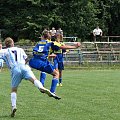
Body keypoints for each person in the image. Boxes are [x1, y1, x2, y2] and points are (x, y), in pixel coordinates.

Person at [0, 37, 60, 117]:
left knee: (14, 90)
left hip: (15, 69)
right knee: (34, 79)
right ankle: (41, 87)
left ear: (6, 45)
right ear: (13, 43)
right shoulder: (20, 49)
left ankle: (13, 106)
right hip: (24, 67)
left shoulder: (4, 51)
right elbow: (26, 59)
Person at [29, 31, 81, 96]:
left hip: (33, 61)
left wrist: (48, 55)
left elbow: (36, 53)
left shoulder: (38, 43)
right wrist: (74, 47)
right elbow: (62, 47)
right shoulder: (51, 43)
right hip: (42, 62)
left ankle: (41, 85)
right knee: (56, 73)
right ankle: (52, 91)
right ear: (49, 38)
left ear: (42, 36)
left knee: (42, 70)